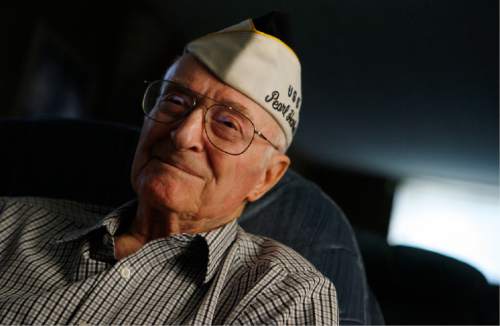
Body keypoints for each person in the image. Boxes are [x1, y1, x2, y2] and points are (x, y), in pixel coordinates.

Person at [0, 13, 339, 325]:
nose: (182, 135)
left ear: (267, 177)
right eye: (175, 101)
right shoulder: (11, 223)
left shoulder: (283, 294)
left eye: (227, 124)